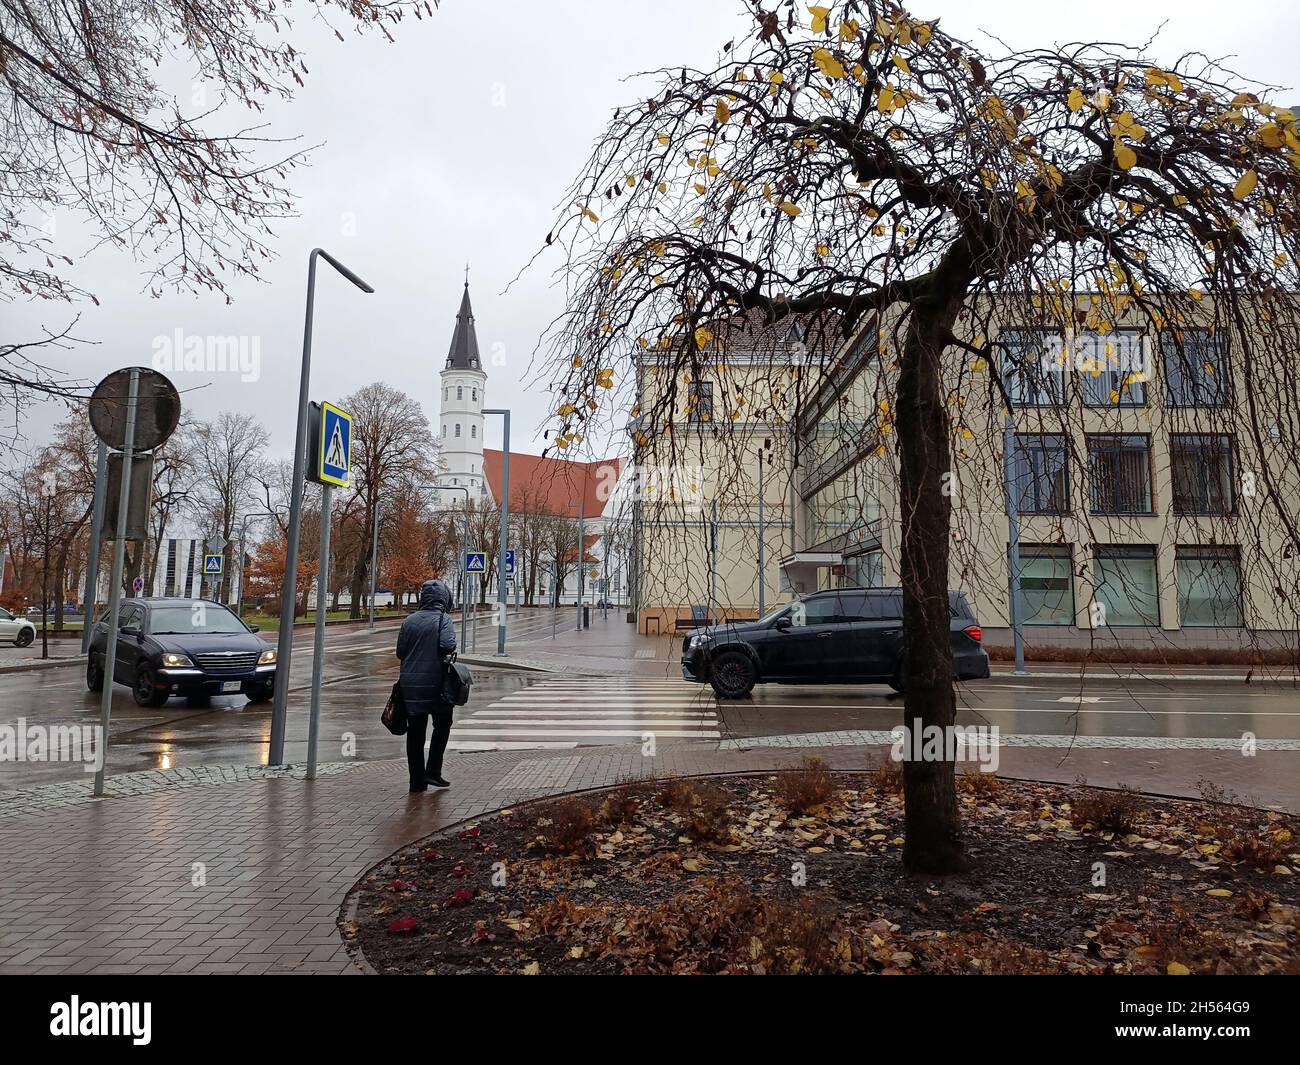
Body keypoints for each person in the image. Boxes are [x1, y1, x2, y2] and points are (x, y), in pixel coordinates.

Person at [396, 579, 457, 792]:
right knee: (442, 725)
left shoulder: (409, 621)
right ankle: (433, 771)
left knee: (415, 733)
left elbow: (400, 652)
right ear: (444, 598)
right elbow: (447, 645)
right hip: (436, 685)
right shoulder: (443, 619)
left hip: (410, 685)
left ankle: (416, 782)